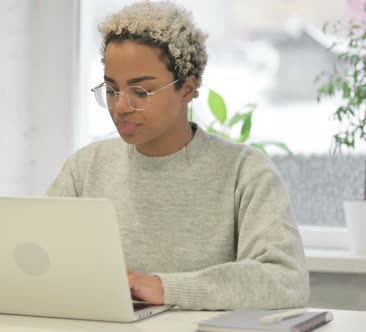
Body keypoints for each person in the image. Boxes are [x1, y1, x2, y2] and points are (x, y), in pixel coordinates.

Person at [47, 1, 309, 310]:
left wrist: (166, 288)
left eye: (140, 92)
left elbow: (284, 282)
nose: (120, 107)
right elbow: (35, 257)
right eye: (111, 89)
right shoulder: (86, 168)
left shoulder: (245, 172)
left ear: (187, 88)